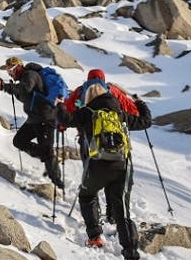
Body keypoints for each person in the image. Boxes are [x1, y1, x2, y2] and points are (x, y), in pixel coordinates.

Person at [56, 73, 152, 258]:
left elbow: (64, 120)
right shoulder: (120, 114)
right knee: (121, 210)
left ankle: (95, 237)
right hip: (121, 166)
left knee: (87, 196)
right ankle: (131, 252)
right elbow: (146, 121)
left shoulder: (87, 112)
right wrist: (140, 103)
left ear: (88, 96)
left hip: (97, 166)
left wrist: (60, 104)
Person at [0, 56, 64, 188]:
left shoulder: (30, 75)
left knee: (47, 151)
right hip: (34, 119)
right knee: (19, 141)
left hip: (46, 119)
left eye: (11, 70)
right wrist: (9, 87)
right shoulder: (25, 78)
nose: (10, 74)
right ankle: (48, 159)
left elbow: (24, 89)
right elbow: (25, 93)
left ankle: (58, 183)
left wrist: (6, 86)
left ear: (19, 67)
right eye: (8, 72)